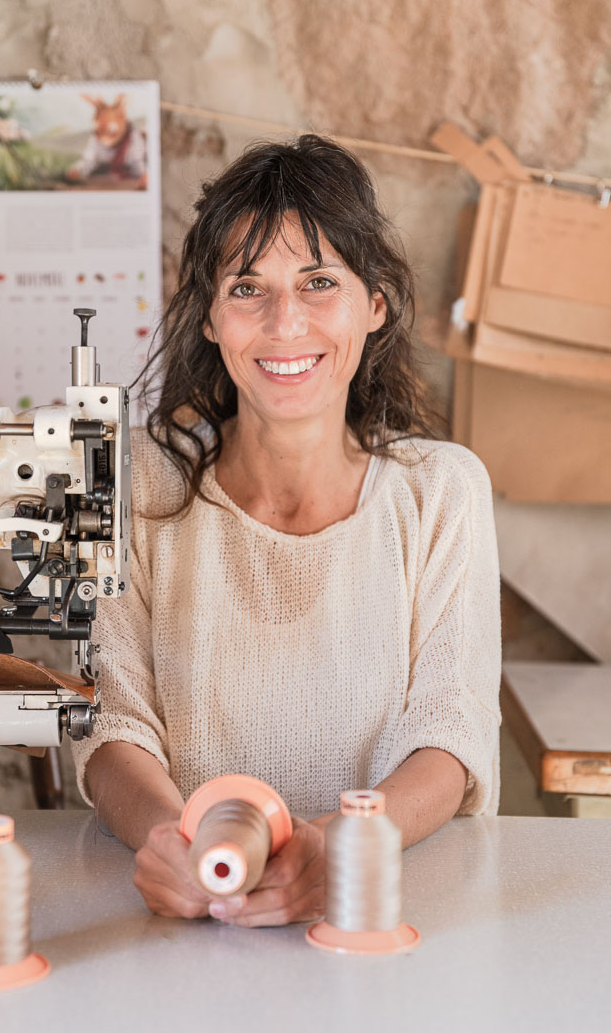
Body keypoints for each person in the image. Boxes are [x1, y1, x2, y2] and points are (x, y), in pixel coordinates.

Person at [72, 134, 501, 928]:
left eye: (319, 281)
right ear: (208, 315)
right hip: (191, 927)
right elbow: (114, 722)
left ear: (375, 304)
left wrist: (344, 847)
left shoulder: (441, 493)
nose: (284, 322)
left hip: (385, 917)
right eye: (247, 288)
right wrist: (169, 841)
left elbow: (452, 732)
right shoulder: (138, 488)